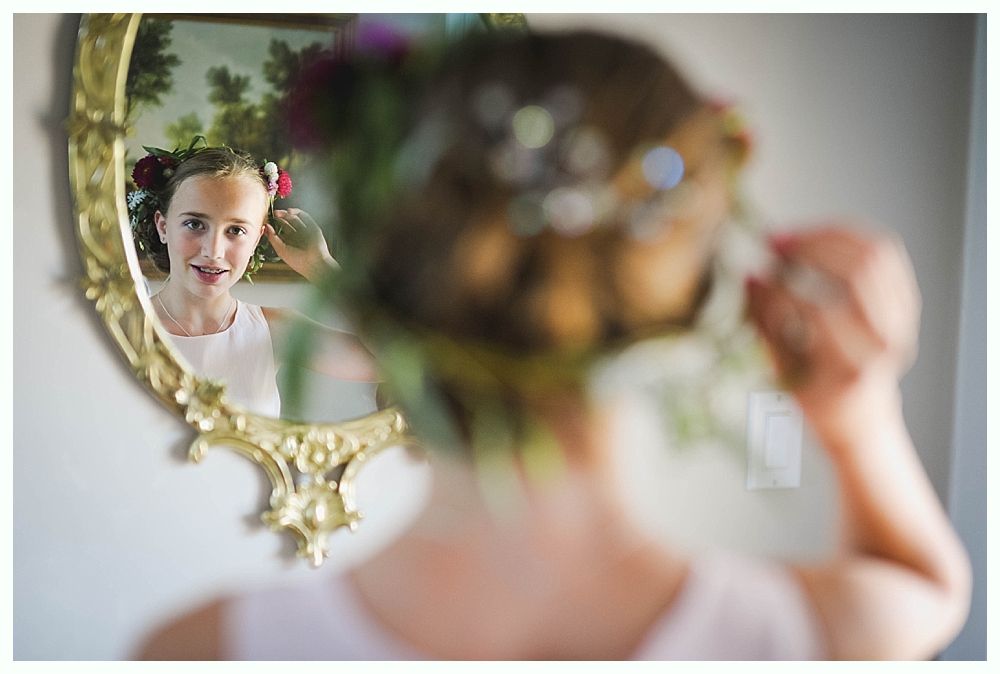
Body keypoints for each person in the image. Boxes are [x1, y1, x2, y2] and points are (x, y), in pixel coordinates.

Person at [136, 29, 971, 660]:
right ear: (682, 296)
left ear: (389, 278)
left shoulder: (205, 651)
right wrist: (855, 415)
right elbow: (930, 589)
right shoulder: (792, 636)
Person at [128, 145, 377, 417]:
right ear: (163, 226)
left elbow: (396, 362)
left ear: (256, 239)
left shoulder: (272, 331)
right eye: (195, 224)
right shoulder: (121, 327)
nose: (213, 251)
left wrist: (321, 268)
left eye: (235, 230)